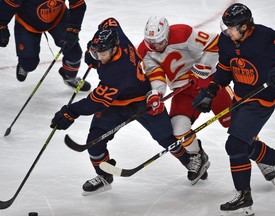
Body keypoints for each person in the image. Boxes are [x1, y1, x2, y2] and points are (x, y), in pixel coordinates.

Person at [50, 17, 205, 195]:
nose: (99, 57)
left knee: (165, 137)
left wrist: (70, 112)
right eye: (97, 53)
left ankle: (191, 160)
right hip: (116, 103)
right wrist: (92, 49)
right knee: (94, 141)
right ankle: (104, 177)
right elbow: (111, 21)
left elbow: (96, 102)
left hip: (142, 100)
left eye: (102, 54)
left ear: (114, 49)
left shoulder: (118, 70)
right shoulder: (117, 37)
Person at [192, 3, 275, 215]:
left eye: (231, 28)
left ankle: (244, 196)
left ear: (244, 27)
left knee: (235, 145)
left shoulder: (265, 36)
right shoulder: (226, 39)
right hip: (240, 98)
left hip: (261, 101)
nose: (227, 31)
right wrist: (211, 91)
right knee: (244, 144)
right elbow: (225, 68)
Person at [137, 16, 234, 184]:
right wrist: (156, 94)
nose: (155, 47)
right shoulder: (145, 51)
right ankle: (198, 155)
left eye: (159, 42)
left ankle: (266, 161)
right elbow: (156, 75)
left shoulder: (183, 33)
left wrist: (203, 67)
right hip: (183, 91)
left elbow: (214, 43)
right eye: (151, 43)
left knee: (236, 125)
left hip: (211, 85)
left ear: (167, 34)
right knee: (178, 130)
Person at [0, 0, 91, 91]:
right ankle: (25, 65)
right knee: (29, 63)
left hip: (58, 18)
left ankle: (69, 77)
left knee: (73, 52)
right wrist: (1, 26)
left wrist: (74, 28)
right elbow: (6, 6)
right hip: (27, 22)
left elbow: (78, 5)